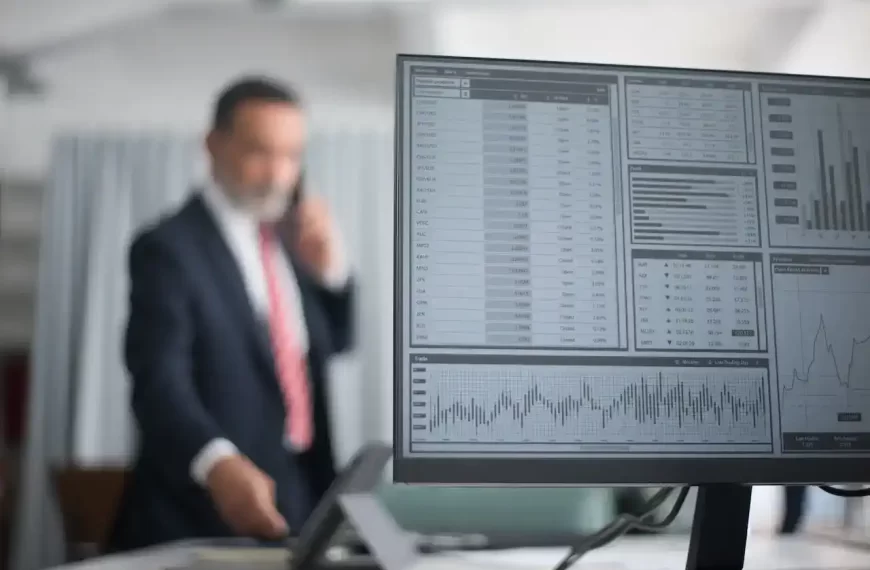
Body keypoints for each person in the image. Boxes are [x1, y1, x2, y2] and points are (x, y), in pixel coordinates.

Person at [108, 76, 354, 551]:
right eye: (260, 152)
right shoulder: (169, 248)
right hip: (200, 516)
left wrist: (332, 274)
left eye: (292, 156)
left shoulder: (289, 243)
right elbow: (158, 382)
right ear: (213, 144)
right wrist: (216, 463)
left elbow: (331, 348)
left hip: (300, 502)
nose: (279, 174)